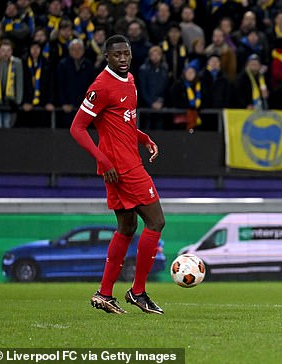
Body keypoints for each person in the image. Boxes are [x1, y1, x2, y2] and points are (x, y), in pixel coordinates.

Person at [70, 35, 165, 315]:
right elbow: (77, 127)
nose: (123, 58)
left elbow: (121, 122)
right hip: (122, 168)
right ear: (106, 56)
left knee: (126, 228)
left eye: (126, 54)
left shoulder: (131, 80)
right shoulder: (101, 86)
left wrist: (143, 137)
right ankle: (137, 292)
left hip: (125, 162)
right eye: (117, 55)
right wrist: (103, 159)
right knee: (156, 222)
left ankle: (104, 294)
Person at [0, 40, 23, 128]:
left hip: (10, 102)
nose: (5, 53)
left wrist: (17, 101)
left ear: (12, 51)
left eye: (8, 50)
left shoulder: (17, 63)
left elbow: (19, 83)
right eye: (3, 50)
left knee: (7, 126)